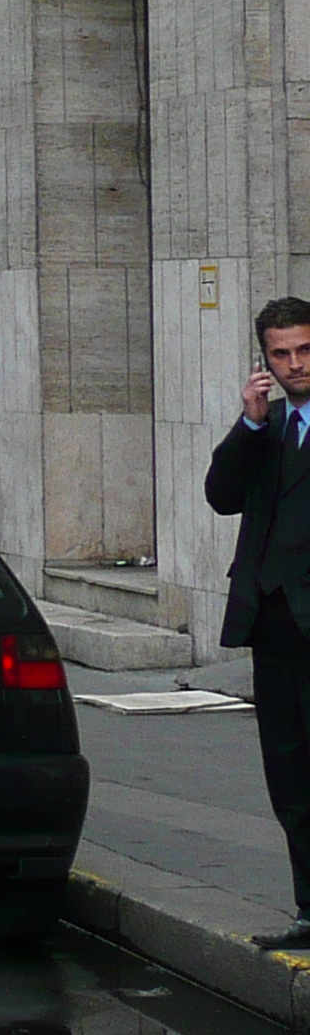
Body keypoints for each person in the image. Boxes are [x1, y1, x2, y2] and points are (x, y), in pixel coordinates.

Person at [208, 295, 310, 949]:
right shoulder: (264, 424)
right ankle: (309, 910)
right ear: (265, 359)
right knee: (290, 772)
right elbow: (221, 496)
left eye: (305, 349)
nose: (296, 364)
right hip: (271, 625)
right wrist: (247, 424)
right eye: (282, 353)